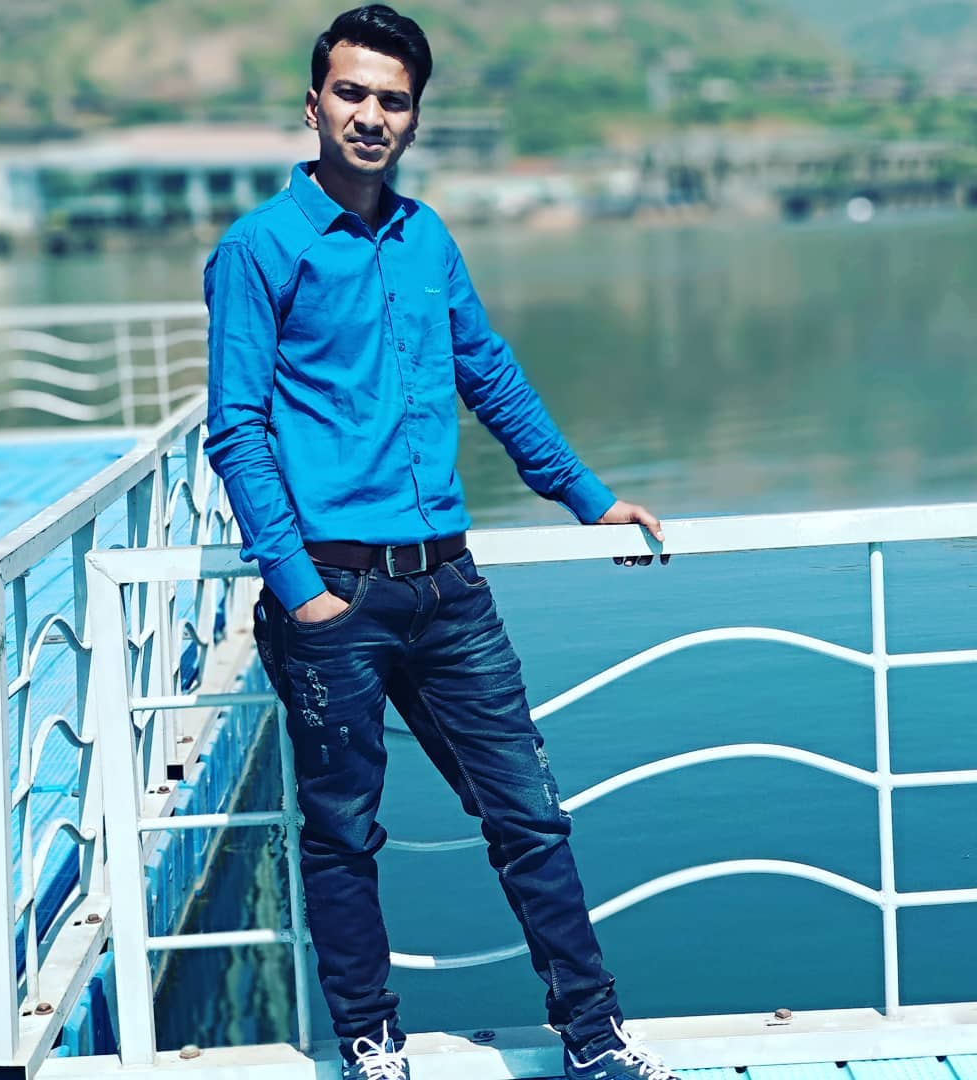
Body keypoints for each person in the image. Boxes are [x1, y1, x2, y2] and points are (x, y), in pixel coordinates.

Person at [204, 6, 680, 1079]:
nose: (371, 116)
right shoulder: (259, 250)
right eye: (352, 94)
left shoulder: (427, 240)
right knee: (343, 832)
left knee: (529, 813)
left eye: (394, 100)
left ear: (415, 119)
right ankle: (373, 1044)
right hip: (333, 594)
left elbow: (491, 377)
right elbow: (236, 427)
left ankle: (594, 1038)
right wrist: (299, 587)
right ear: (314, 105)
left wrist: (588, 499)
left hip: (449, 589)